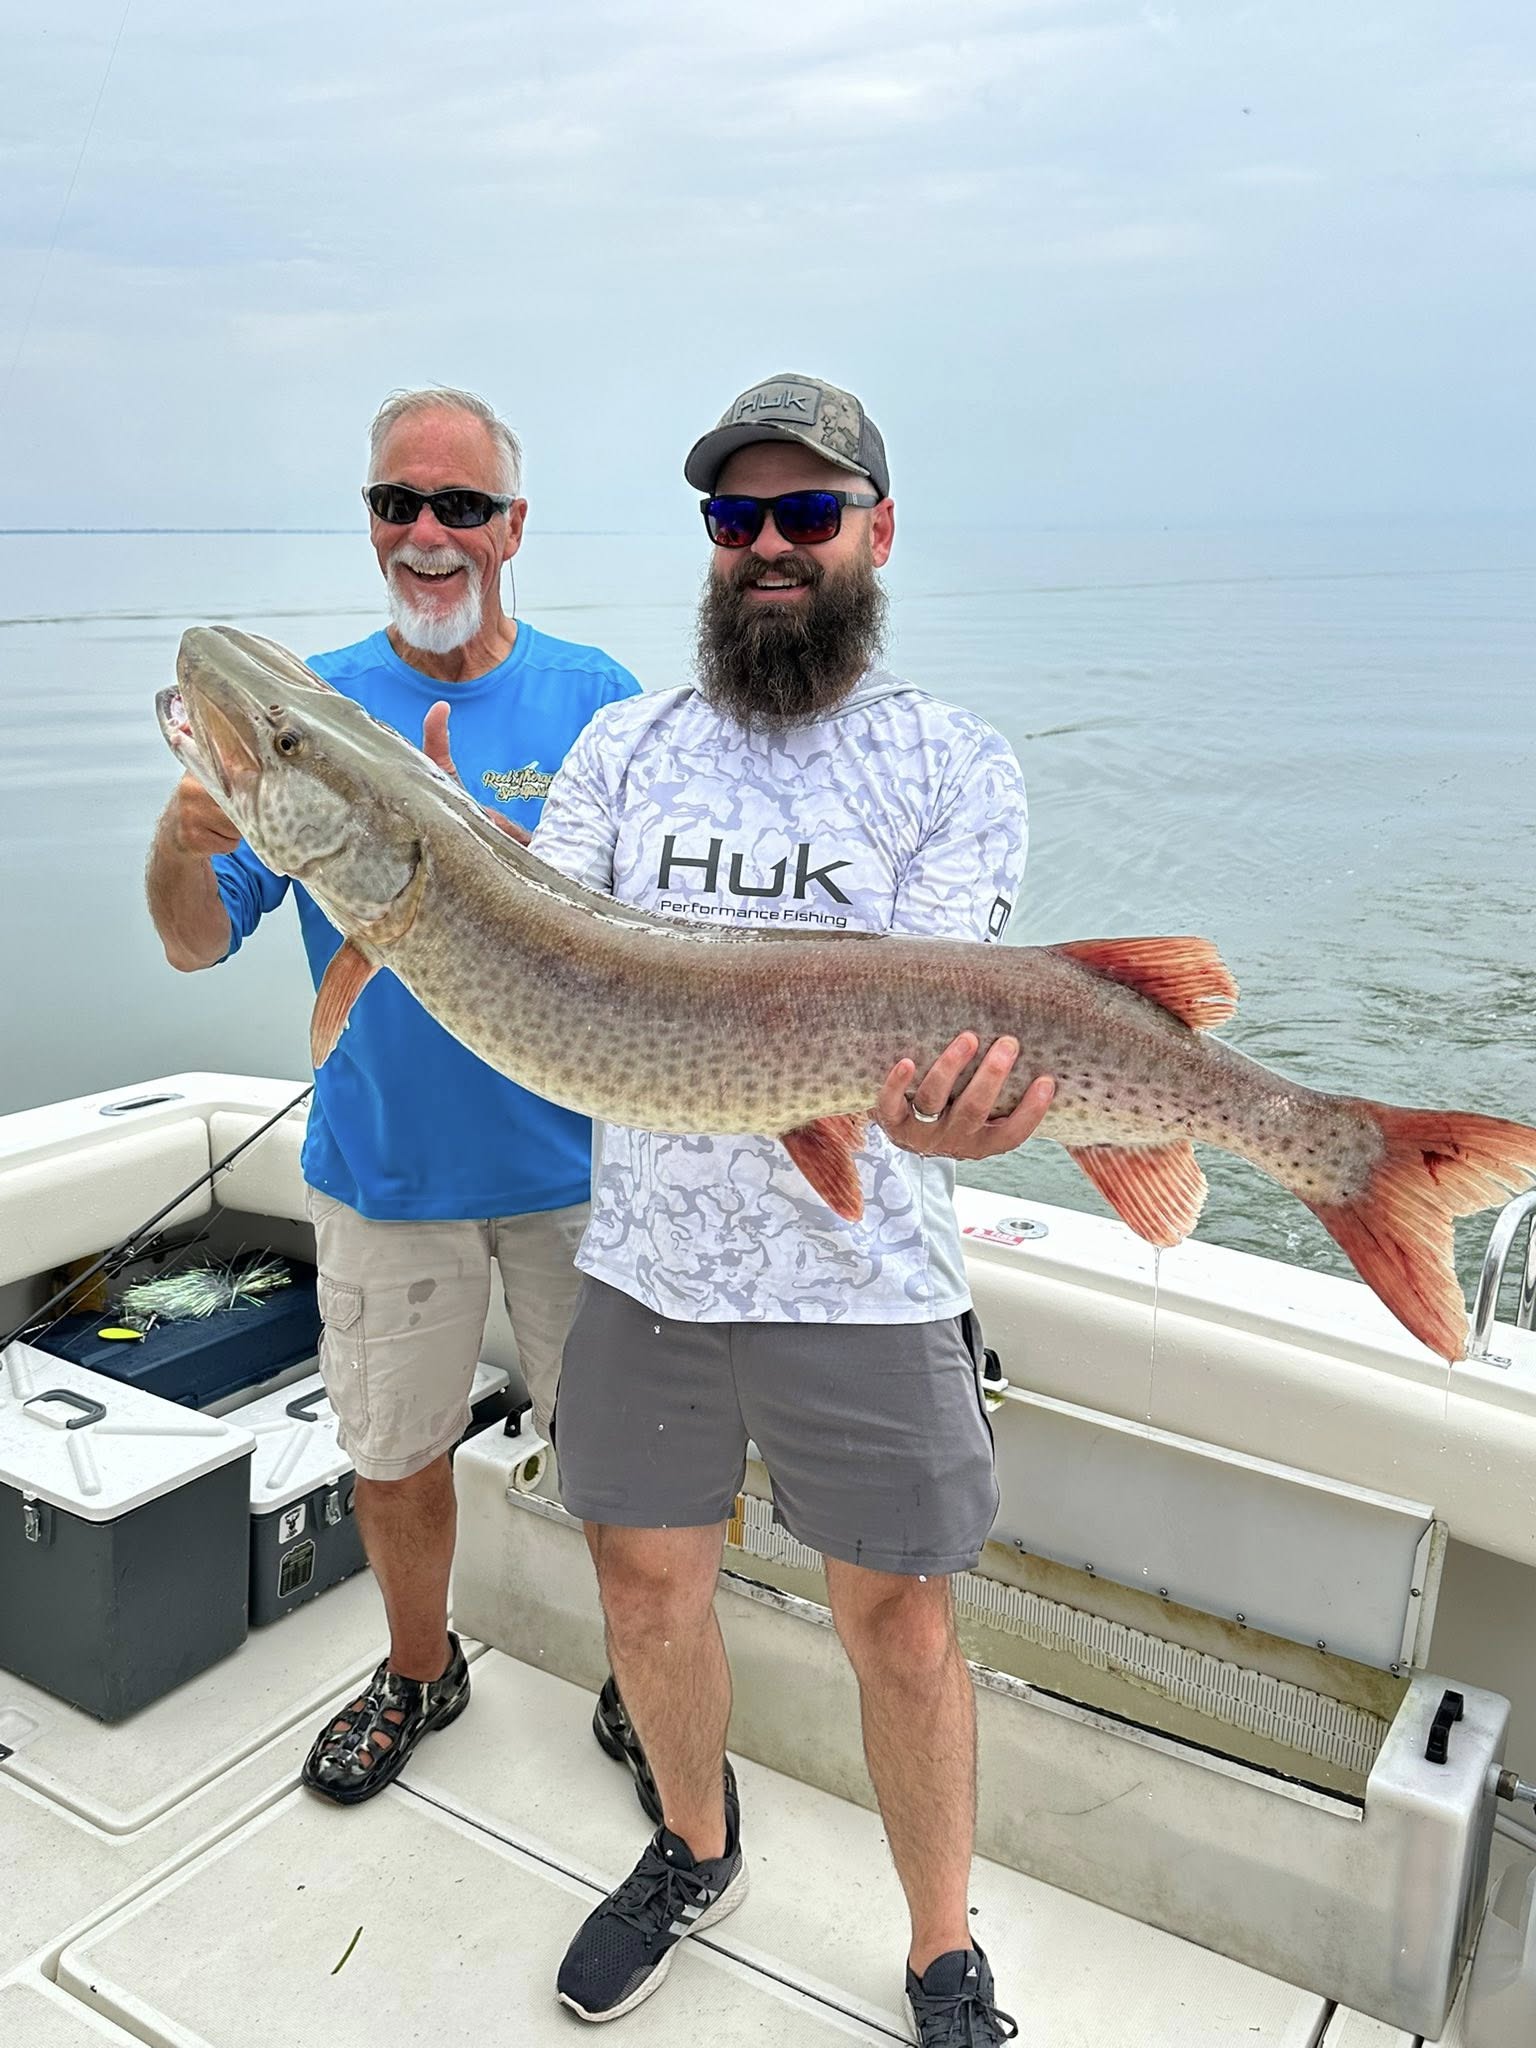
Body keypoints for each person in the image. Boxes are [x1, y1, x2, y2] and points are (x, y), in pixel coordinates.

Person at [527, 374, 1053, 2044]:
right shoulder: (623, 751)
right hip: (649, 1271)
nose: (768, 546)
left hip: (870, 1278)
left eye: (806, 515)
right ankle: (692, 1842)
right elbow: (547, 971)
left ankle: (941, 1941)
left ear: (873, 535)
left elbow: (935, 1034)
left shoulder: (952, 764)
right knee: (644, 1591)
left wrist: (950, 1107)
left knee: (900, 1625)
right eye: (735, 518)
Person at [145, 385, 645, 1807]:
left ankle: (643, 1673)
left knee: (620, 1473)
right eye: (396, 505)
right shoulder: (319, 709)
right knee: (393, 1459)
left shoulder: (597, 696)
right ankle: (420, 1670)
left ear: (512, 527)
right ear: (371, 520)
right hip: (383, 1175)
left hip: (576, 1177)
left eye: (461, 506)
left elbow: (654, 921)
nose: (429, 534)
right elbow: (194, 937)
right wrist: (187, 840)